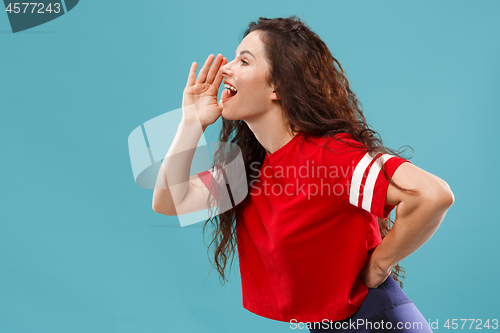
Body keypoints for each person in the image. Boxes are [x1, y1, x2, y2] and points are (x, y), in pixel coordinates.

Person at [152, 16, 454, 332]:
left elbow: (432, 195)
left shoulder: (330, 155)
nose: (226, 68)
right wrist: (192, 123)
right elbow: (169, 201)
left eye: (244, 61)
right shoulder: (249, 172)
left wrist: (379, 264)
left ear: (277, 87)